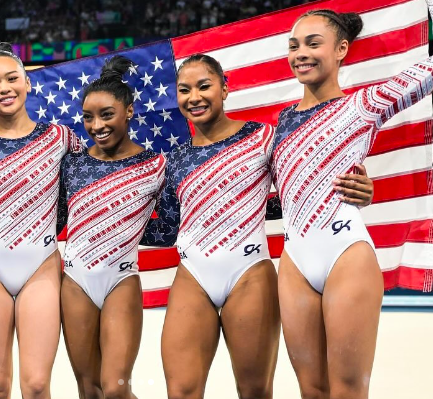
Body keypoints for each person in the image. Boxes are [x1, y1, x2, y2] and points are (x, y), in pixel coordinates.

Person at [142, 53, 376, 399]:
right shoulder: (175, 158)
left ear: (224, 88)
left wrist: (356, 192)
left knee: (253, 390)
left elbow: (299, 192)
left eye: (204, 86)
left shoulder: (263, 138)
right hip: (193, 275)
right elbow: (170, 228)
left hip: (249, 272)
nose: (195, 97)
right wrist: (115, 225)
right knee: (181, 391)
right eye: (184, 90)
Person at [274, 6, 433, 398]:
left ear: (342, 49)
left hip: (345, 252)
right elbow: (281, 195)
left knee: (347, 390)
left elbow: (425, 76)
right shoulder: (279, 122)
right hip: (295, 260)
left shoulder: (363, 104)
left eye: (314, 43)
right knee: (311, 390)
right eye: (294, 46)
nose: (301, 54)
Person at [0, 42, 81, 398]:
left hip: (40, 264)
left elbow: (80, 192)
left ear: (27, 82)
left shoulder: (60, 138)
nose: (4, 88)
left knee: (37, 384)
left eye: (12, 78)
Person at [57, 55, 164, 399]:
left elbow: (177, 223)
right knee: (89, 390)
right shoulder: (72, 163)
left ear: (129, 112)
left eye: (106, 115)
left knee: (116, 389)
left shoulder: (156, 164)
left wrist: (126, 229)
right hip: (75, 281)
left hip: (120, 279)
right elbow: (55, 217)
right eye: (88, 117)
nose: (96, 125)